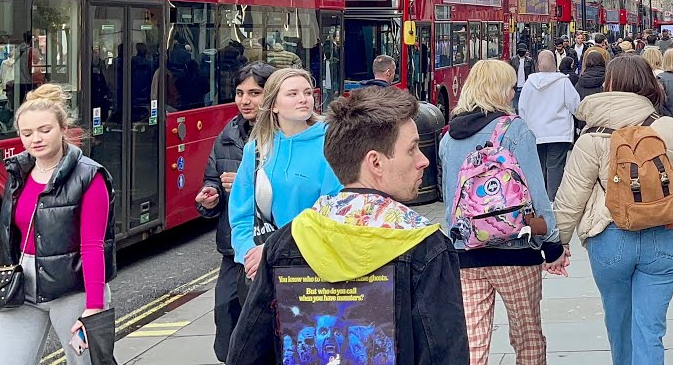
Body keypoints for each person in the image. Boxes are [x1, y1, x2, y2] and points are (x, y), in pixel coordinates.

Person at [227, 87, 469, 365]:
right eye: (412, 148)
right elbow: (445, 354)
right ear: (375, 162)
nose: (423, 160)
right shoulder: (427, 247)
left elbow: (246, 353)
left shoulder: (285, 242)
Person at [554, 55, 673, 365]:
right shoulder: (667, 128)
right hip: (661, 239)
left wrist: (558, 244)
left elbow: (571, 197)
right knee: (649, 330)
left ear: (608, 86)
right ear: (649, 84)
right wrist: (669, 211)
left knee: (618, 322)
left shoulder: (592, 137)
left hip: (610, 239)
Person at [440, 60, 565, 365]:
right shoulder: (514, 129)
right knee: (527, 337)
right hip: (516, 251)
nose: (513, 92)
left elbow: (450, 202)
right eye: (510, 86)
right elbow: (536, 195)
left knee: (472, 341)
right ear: (499, 90)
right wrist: (553, 245)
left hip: (466, 254)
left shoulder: (448, 138)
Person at [0, 85, 115, 365]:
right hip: (24, 286)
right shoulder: (18, 173)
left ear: (63, 128)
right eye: (27, 133)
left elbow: (93, 245)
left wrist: (94, 307)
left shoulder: (90, 177)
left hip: (73, 288)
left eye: (45, 130)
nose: (36, 139)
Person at [229, 68, 342, 288]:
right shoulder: (256, 149)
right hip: (266, 271)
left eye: (308, 93)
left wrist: (273, 251)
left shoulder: (332, 145)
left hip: (315, 270)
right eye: (293, 94)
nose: (304, 99)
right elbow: (242, 216)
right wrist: (248, 254)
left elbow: (333, 217)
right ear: (274, 105)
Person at [195, 61, 276, 362]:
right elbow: (211, 181)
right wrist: (209, 198)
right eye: (240, 92)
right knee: (227, 323)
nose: (245, 100)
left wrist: (246, 184)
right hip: (235, 250)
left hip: (273, 247)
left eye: (254, 92)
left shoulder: (285, 138)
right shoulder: (227, 137)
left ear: (271, 95)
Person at [518, 50, 582, 199]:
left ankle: (539, 200)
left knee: (538, 167)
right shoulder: (563, 81)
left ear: (538, 64)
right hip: (559, 132)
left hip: (535, 133)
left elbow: (522, 108)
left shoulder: (529, 83)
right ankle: (553, 199)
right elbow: (575, 106)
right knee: (555, 167)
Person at [510, 45, 535, 110]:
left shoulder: (529, 60)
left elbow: (532, 73)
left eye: (523, 51)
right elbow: (510, 73)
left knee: (525, 105)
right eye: (520, 51)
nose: (521, 53)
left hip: (525, 86)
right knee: (516, 106)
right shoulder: (513, 60)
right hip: (515, 86)